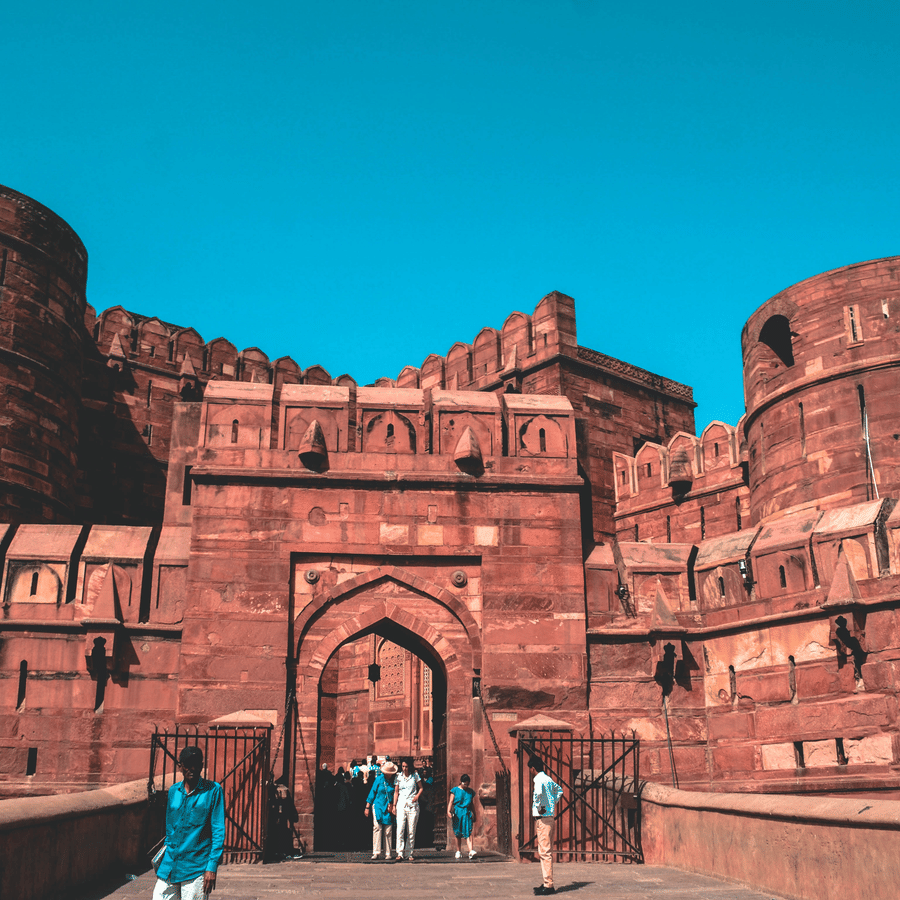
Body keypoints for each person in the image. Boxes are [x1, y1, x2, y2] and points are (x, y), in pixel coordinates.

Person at [154, 746, 225, 900]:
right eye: (187, 764)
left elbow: (218, 830)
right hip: (170, 864)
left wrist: (211, 866)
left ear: (201, 765)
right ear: (180, 767)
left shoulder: (213, 791)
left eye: (196, 764)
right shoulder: (174, 791)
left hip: (196, 866)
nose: (192, 768)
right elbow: (170, 828)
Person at [529, 756, 563, 896]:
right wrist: (552, 803)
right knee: (546, 849)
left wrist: (541, 808)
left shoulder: (538, 780)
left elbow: (538, 795)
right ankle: (546, 882)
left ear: (533, 768)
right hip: (549, 817)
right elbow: (559, 790)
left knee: (544, 852)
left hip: (543, 818)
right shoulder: (548, 779)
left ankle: (548, 884)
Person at [364, 760, 397, 859]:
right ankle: (376, 852)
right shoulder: (378, 779)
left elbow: (396, 793)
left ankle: (388, 853)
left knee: (388, 830)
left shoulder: (394, 781)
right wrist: (367, 807)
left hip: (388, 807)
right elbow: (372, 792)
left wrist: (393, 805)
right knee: (377, 828)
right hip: (378, 805)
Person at [392, 758, 423, 860]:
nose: (404, 769)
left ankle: (409, 852)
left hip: (412, 804)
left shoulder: (415, 776)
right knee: (400, 829)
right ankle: (400, 853)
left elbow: (421, 787)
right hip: (401, 804)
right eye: (403, 766)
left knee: (411, 830)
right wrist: (394, 805)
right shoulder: (398, 776)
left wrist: (417, 796)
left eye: (406, 766)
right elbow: (396, 792)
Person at [447, 773, 477, 859]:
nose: (466, 786)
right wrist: (448, 811)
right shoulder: (455, 790)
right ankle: (458, 851)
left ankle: (470, 850)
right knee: (458, 832)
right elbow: (451, 801)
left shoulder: (470, 791)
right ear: (461, 782)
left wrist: (474, 813)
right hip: (458, 813)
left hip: (467, 813)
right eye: (465, 784)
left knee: (468, 832)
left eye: (467, 784)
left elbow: (472, 804)